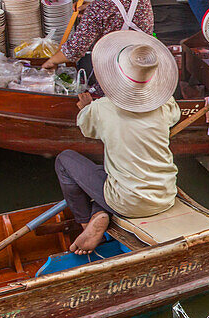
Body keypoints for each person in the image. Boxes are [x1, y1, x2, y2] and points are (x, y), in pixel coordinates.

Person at [54, 31, 181, 255]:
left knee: (65, 160)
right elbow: (174, 116)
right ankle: (99, 214)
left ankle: (87, 223)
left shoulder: (102, 108)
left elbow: (86, 127)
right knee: (108, 171)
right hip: (165, 195)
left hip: (128, 201)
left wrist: (85, 107)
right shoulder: (164, 105)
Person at [42, 0, 153, 79]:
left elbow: (74, 50)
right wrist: (92, 11)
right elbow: (120, 10)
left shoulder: (98, 8)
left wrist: (51, 61)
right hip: (146, 69)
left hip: (118, 76)